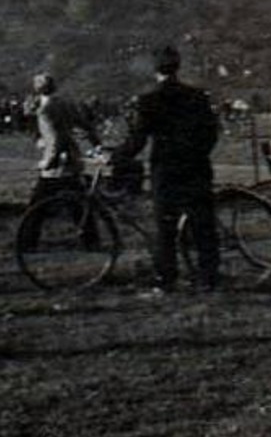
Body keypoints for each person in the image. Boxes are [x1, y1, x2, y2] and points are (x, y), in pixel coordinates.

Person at [114, 46, 221, 292]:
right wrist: (198, 153)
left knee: (166, 228)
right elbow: (211, 133)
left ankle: (167, 279)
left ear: (155, 71)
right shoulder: (197, 96)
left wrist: (118, 155)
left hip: (166, 169)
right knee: (203, 225)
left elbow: (138, 140)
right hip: (196, 166)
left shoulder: (149, 101)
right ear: (178, 66)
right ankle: (208, 277)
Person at [26, 72, 100, 206]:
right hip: (72, 158)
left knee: (37, 205)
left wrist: (47, 162)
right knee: (76, 202)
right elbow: (86, 125)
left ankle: (28, 227)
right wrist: (97, 144)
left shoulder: (45, 110)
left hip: (56, 164)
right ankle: (90, 226)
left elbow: (54, 140)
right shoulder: (67, 103)